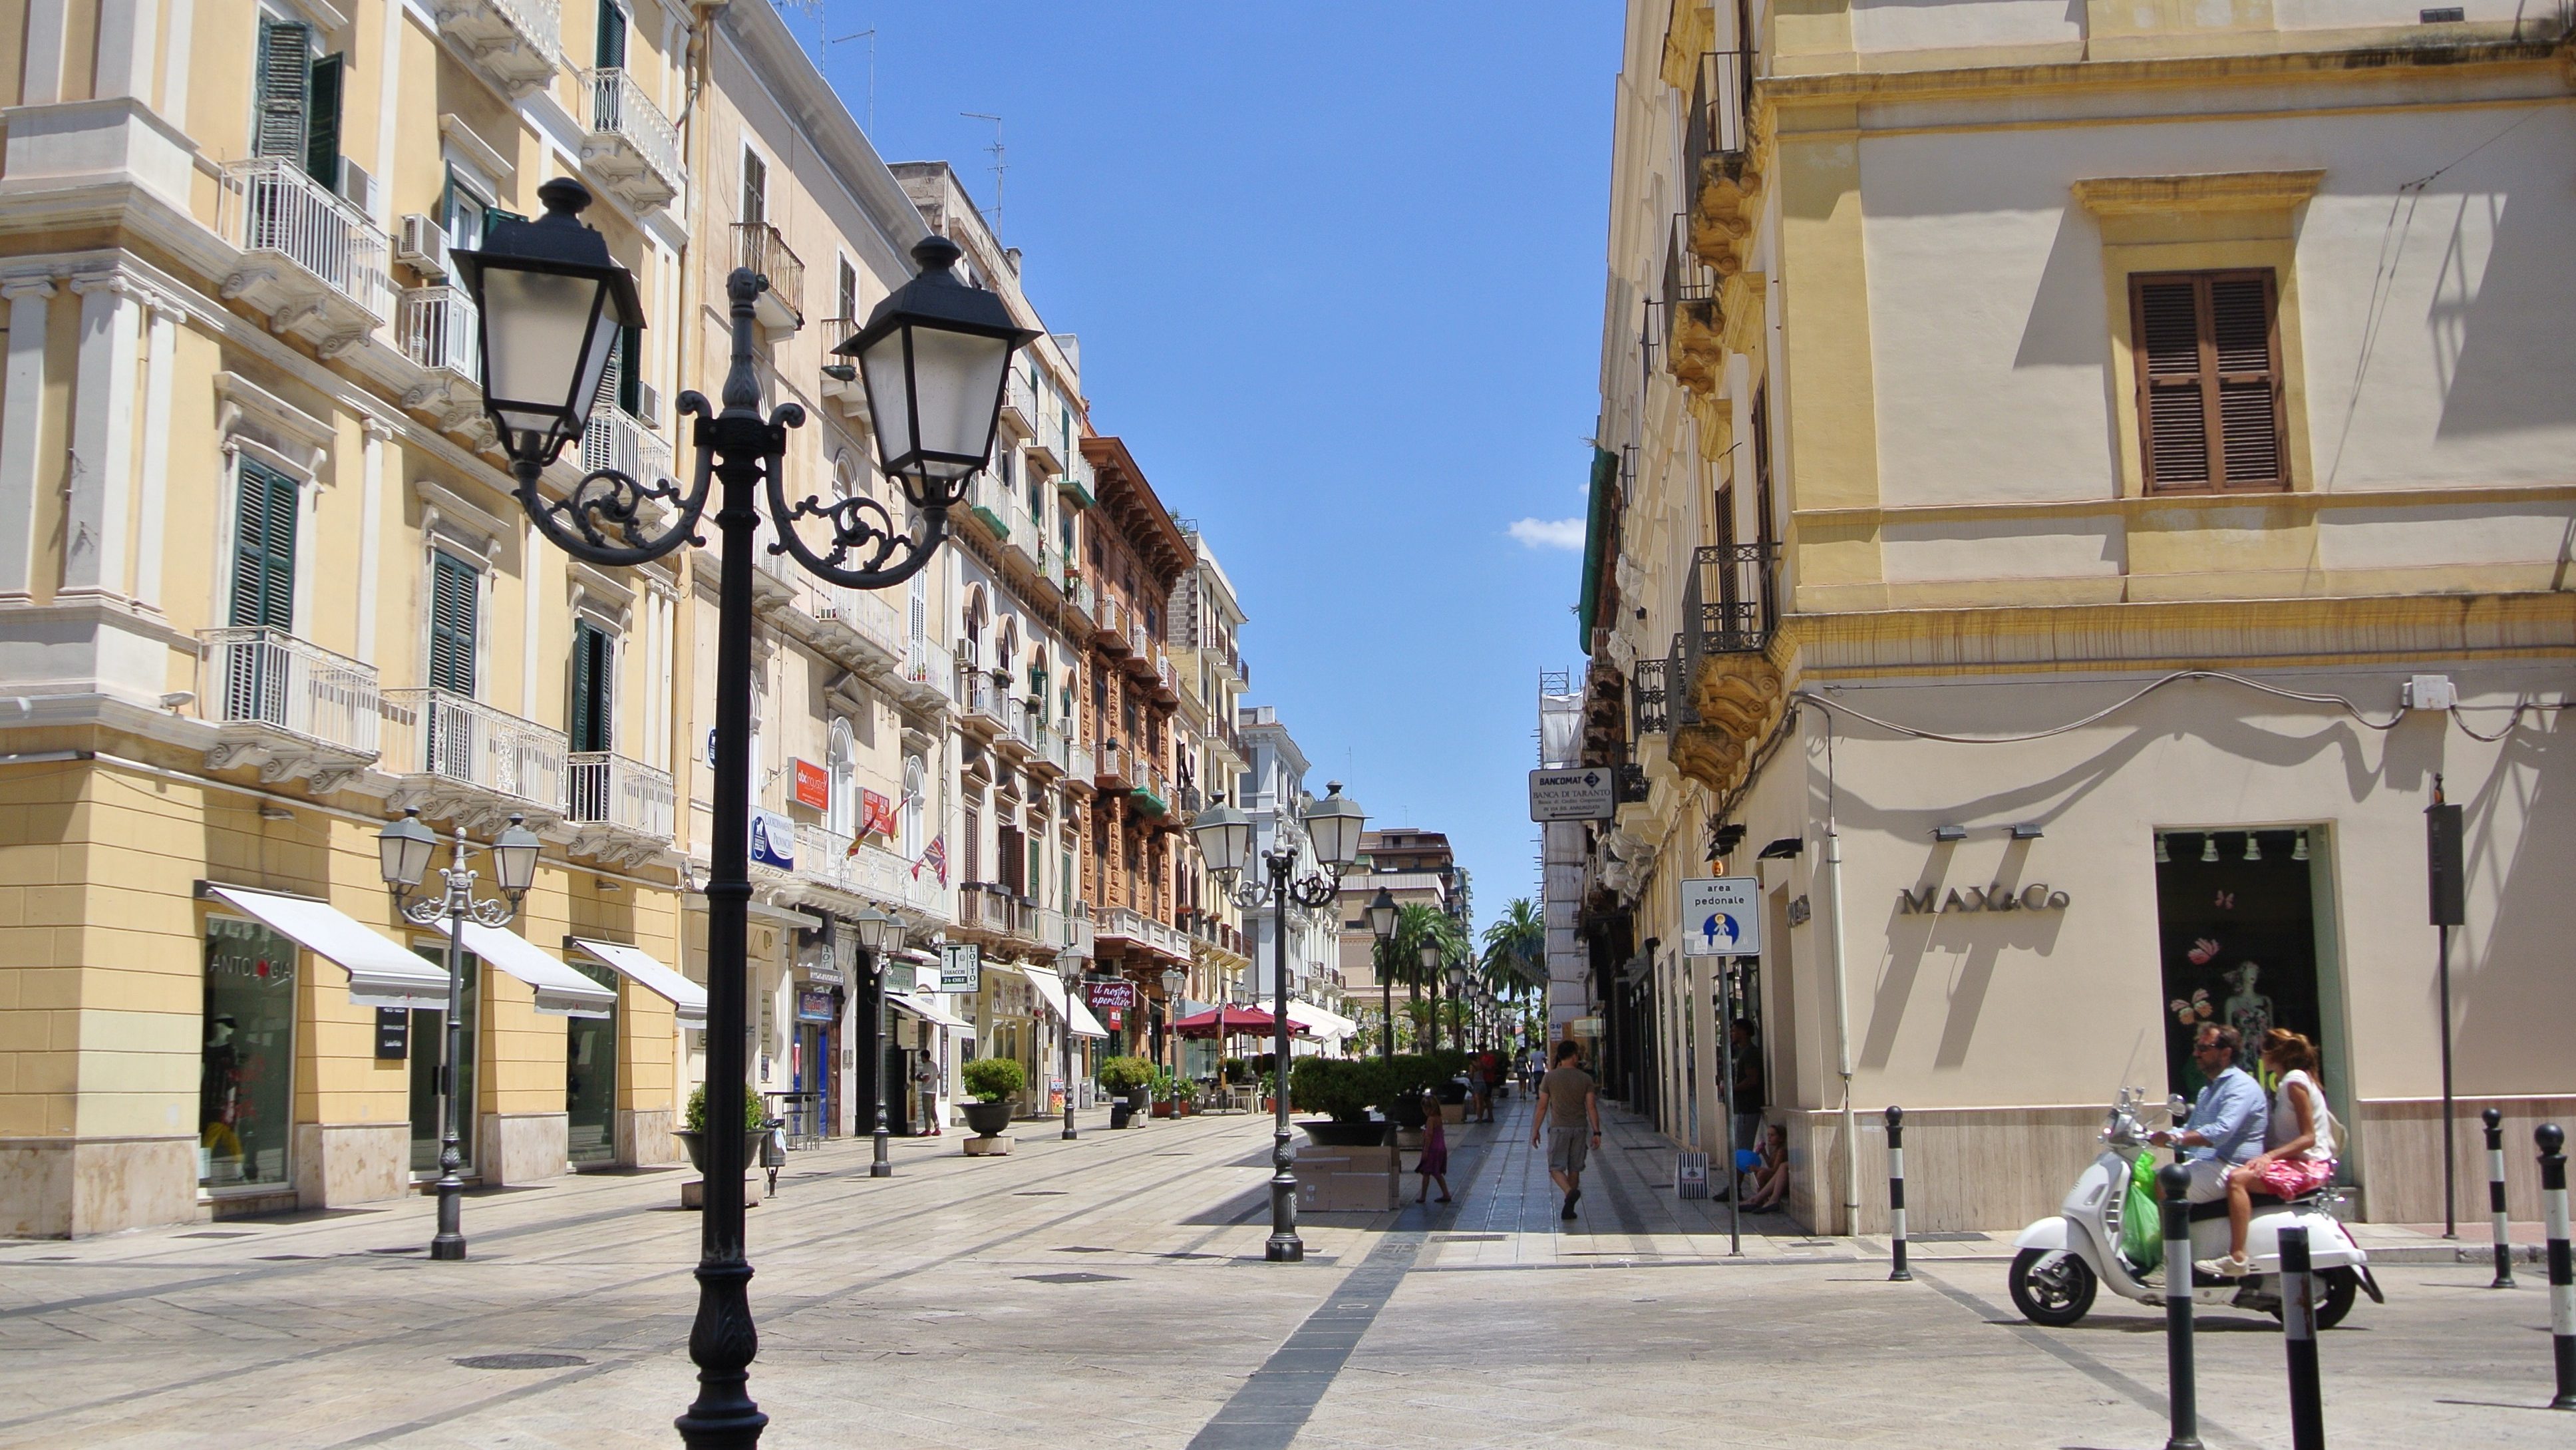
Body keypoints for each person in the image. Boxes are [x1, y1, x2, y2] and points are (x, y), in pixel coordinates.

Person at [2199, 1027, 2336, 1278]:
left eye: (2263, 1051)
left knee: (2237, 1179)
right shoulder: (2290, 1081)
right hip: (2298, 1160)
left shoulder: (2295, 1082)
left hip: (2309, 1163)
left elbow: (2308, 1137)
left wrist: (2268, 1157)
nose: (2260, 1057)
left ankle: (2238, 1256)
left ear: (2276, 1054)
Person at [2148, 1023, 2269, 1204]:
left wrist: (2177, 1139)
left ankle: (2170, 1233)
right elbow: (2191, 1130)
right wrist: (2149, 1136)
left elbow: (2222, 1131)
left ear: (2226, 1053)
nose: (2196, 1054)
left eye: (2204, 1048)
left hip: (2231, 1166)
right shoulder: (2208, 1090)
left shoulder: (2241, 1086)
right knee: (2144, 1181)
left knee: (2165, 1182)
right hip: (2207, 1165)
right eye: (2197, 1047)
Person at [1531, 1040, 1601, 1220]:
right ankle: (1569, 1206)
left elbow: (1542, 1106)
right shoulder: (1585, 1078)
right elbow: (1591, 1107)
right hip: (1580, 1128)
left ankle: (1569, 1192)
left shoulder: (1550, 1078)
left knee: (1555, 1168)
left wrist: (1535, 1130)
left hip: (1559, 1129)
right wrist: (1596, 1132)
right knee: (1575, 1168)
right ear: (1573, 1055)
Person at [1728, 1019, 1765, 1163]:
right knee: (1740, 1147)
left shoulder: (1750, 1053)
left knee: (1743, 1149)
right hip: (1741, 1109)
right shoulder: (1741, 1052)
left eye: (1734, 1030)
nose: (1732, 1033)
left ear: (1743, 1032)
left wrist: (1732, 1089)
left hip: (1747, 1108)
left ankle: (1737, 1183)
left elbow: (1752, 1079)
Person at [1742, 1123, 1791, 1212]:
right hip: (1775, 1179)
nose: (1769, 1138)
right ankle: (1761, 1199)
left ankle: (1761, 1200)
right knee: (1761, 1173)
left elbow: (1775, 1170)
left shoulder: (1781, 1151)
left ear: (1781, 1138)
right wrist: (1764, 1153)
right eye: (1768, 1135)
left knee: (1762, 1173)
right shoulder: (1775, 1150)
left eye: (1772, 1135)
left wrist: (1757, 1169)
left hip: (1782, 1184)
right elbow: (1771, 1164)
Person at [1415, 1089, 1452, 1204]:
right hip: (1441, 1148)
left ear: (1428, 1109)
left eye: (1424, 1109)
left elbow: (1430, 1135)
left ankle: (1423, 1197)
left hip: (1432, 1149)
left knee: (1427, 1172)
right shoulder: (1439, 1118)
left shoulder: (1430, 1120)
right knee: (1437, 1173)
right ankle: (1445, 1194)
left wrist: (1426, 1150)